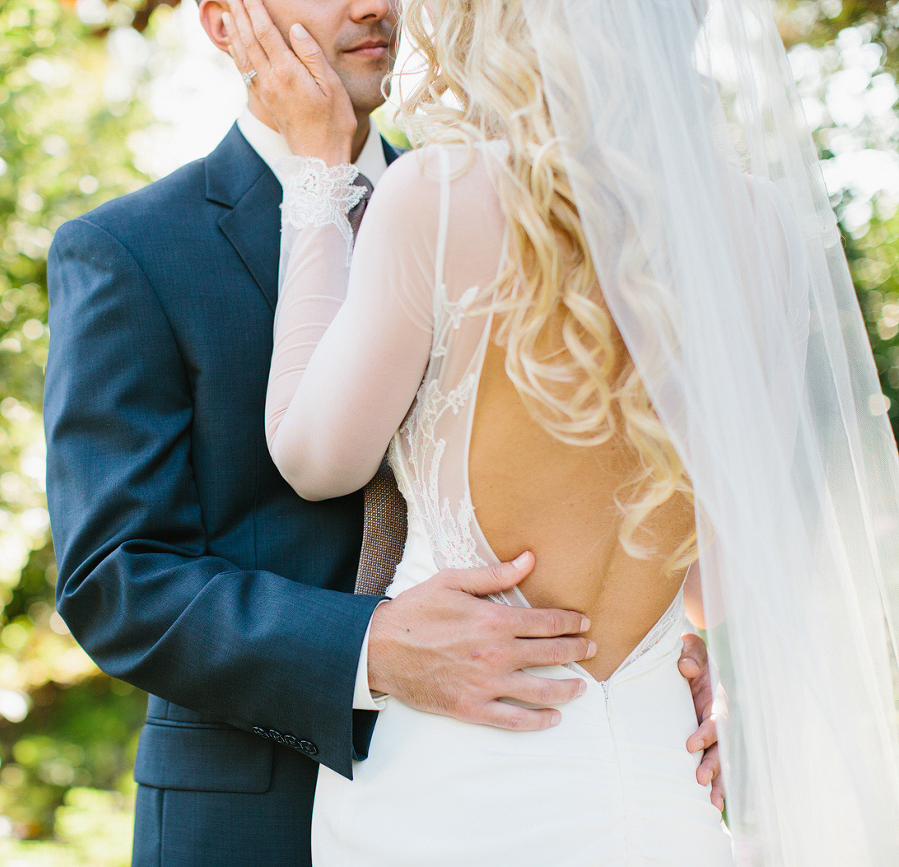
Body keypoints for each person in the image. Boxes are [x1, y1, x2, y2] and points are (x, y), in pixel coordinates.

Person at [43, 0, 722, 860]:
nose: (374, 5)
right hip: (248, 812)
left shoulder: (506, 206)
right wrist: (367, 647)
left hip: (523, 785)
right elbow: (114, 578)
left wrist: (662, 667)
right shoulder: (129, 248)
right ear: (223, 25)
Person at [232, 0, 899, 861]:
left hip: (452, 788)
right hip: (666, 790)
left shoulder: (437, 197)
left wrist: (317, 176)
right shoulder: (759, 228)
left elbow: (312, 457)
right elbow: (717, 588)